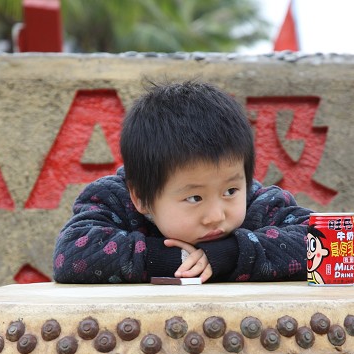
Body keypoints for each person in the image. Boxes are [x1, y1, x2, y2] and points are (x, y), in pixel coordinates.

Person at [53, 80, 311, 284]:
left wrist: (232, 254)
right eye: (194, 198)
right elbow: (70, 254)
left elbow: (328, 241)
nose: (215, 215)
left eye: (230, 190)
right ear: (141, 197)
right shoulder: (114, 200)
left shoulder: (259, 203)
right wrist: (173, 260)